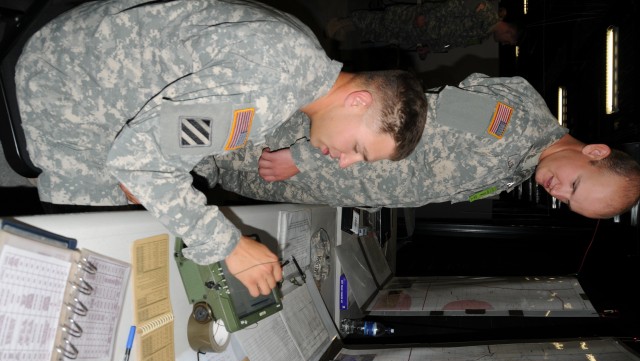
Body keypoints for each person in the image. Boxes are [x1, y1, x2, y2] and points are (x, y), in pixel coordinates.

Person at [15, 0, 427, 297]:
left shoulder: (304, 54)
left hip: (91, 49)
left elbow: (185, 132)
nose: (346, 162)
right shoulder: (266, 93)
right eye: (358, 148)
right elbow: (138, 164)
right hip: (63, 87)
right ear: (358, 102)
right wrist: (228, 245)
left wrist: (166, 177)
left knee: (158, 209)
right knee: (97, 261)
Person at [209, 73, 640, 220]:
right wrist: (302, 156)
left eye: (567, 202)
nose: (558, 193)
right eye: (574, 186)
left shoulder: (520, 168)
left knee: (207, 169)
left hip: (315, 182)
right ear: (596, 152)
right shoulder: (513, 123)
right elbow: (403, 112)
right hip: (298, 148)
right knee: (199, 138)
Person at [327, 0, 523, 59]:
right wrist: (427, 16)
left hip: (421, 35)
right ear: (509, 32)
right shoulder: (486, 11)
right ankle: (343, 22)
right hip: (422, 20)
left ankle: (349, 28)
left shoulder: (481, 36)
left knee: (385, 33)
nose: (505, 43)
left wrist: (429, 47)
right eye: (508, 41)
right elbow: (454, 5)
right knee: (385, 21)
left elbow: (451, 42)